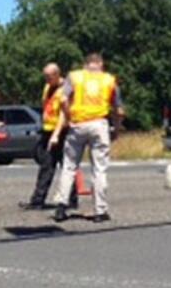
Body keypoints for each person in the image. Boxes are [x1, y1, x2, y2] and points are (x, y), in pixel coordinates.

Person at [49, 53, 121, 223]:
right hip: (99, 124)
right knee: (99, 169)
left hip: (78, 124)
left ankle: (61, 206)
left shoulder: (75, 77)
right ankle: (100, 210)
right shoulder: (109, 80)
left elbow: (63, 99)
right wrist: (116, 128)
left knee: (69, 166)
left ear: (86, 64)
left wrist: (69, 116)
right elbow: (119, 109)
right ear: (100, 64)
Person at [20, 63, 71, 210]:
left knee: (66, 167)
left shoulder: (65, 89)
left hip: (61, 131)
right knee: (46, 165)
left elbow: (63, 114)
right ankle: (37, 200)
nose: (46, 79)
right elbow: (45, 106)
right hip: (48, 130)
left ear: (57, 74)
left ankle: (70, 199)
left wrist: (56, 134)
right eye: (45, 76)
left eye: (49, 77)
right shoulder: (47, 87)